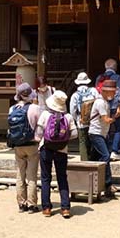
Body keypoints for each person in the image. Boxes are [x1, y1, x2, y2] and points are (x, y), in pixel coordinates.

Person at [36, 90, 77, 218]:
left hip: (46, 148)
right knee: (62, 178)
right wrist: (63, 139)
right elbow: (75, 134)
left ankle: (46, 208)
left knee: (45, 178)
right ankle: (65, 208)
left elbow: (38, 134)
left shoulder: (45, 115)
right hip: (62, 150)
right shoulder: (68, 117)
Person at [8, 83, 41, 213]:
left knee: (20, 175)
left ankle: (21, 204)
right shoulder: (35, 108)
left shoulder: (12, 109)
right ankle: (32, 204)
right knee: (32, 175)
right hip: (32, 144)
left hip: (18, 145)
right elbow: (40, 125)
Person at [88, 78, 118, 197]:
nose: (114, 94)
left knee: (95, 159)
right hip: (96, 133)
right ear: (106, 92)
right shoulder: (100, 102)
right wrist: (116, 117)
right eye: (113, 92)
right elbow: (106, 120)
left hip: (101, 133)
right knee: (105, 156)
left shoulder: (105, 102)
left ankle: (95, 183)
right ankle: (107, 183)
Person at [95, 58, 120, 161]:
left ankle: (105, 150)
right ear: (115, 67)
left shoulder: (99, 78)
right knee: (119, 129)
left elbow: (97, 92)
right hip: (113, 106)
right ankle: (115, 151)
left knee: (105, 129)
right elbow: (118, 92)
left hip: (101, 106)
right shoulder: (117, 77)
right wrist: (119, 107)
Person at [69, 71, 99, 161]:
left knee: (83, 142)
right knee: (94, 140)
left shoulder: (75, 95)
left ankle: (85, 161)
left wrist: (77, 119)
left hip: (81, 121)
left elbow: (72, 111)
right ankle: (94, 160)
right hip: (94, 121)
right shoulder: (93, 91)